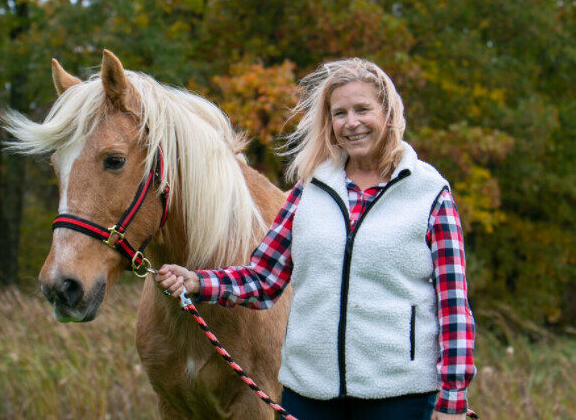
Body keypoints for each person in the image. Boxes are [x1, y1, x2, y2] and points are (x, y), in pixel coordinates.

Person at [155, 58, 475, 420]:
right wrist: (197, 281)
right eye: (339, 113)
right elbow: (262, 279)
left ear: (388, 113)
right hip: (309, 394)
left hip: (401, 395)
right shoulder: (309, 192)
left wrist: (453, 400)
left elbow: (453, 305)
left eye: (362, 109)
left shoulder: (429, 194)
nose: (351, 123)